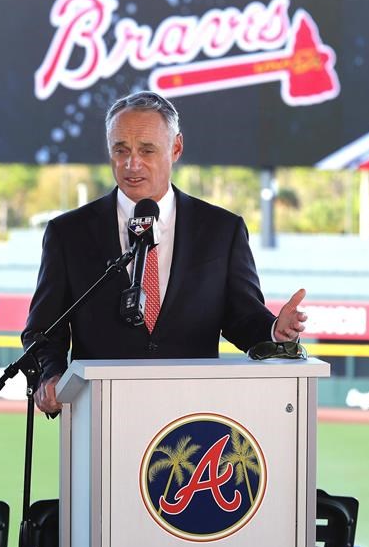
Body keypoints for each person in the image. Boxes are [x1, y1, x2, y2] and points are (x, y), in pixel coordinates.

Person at [22, 90, 306, 415]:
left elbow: (242, 318)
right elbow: (43, 330)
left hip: (191, 421)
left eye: (146, 150)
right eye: (121, 150)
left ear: (176, 148)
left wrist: (275, 331)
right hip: (99, 417)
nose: (132, 164)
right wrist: (50, 373)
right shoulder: (68, 233)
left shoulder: (221, 230)